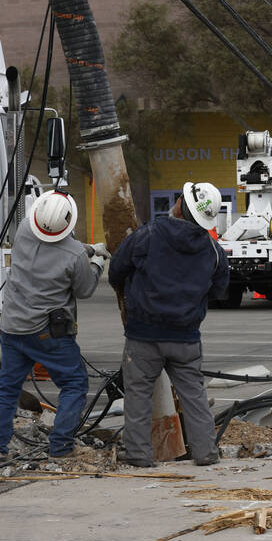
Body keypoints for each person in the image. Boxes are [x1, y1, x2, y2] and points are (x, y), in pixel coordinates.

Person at [109, 181, 229, 467]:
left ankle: (139, 454)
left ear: (179, 205)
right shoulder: (212, 251)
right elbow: (218, 290)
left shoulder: (148, 235)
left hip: (143, 336)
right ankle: (205, 452)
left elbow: (116, 271)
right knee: (194, 396)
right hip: (185, 338)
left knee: (138, 395)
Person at [0, 190, 108, 463]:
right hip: (47, 333)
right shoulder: (75, 255)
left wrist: (85, 248)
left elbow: (57, 247)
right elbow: (84, 288)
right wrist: (96, 261)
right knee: (74, 384)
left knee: (7, 388)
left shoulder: (25, 230)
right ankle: (61, 445)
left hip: (13, 327)